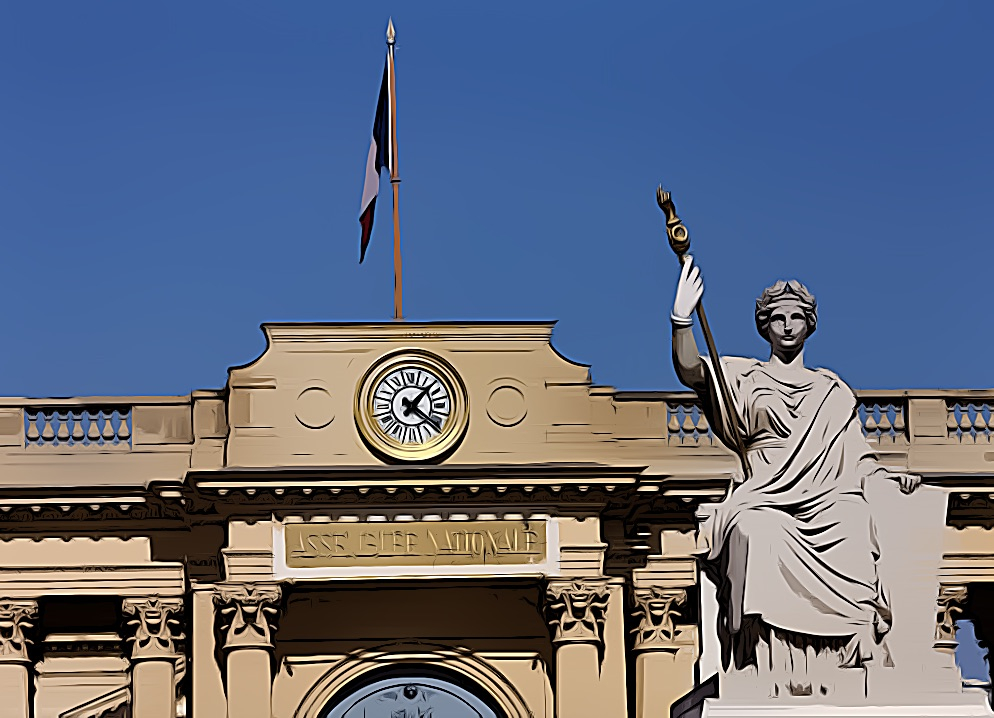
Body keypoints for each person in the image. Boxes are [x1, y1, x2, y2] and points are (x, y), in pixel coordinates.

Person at [671, 257, 921, 696]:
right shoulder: (743, 377)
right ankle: (766, 658)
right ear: (764, 327)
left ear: (809, 325)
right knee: (755, 530)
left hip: (826, 495)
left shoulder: (832, 391)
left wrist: (886, 479)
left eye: (796, 318)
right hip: (763, 495)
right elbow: (692, 369)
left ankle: (848, 653)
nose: (787, 326)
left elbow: (857, 458)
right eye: (778, 319)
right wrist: (681, 316)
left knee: (855, 522)